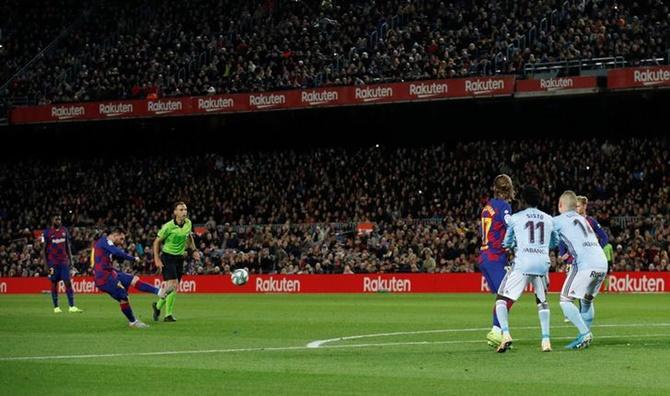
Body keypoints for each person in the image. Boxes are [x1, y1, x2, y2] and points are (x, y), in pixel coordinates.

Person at [494, 186, 558, 353]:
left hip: (523, 263)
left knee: (501, 299)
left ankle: (506, 334)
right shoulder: (549, 219)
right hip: (542, 264)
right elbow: (555, 242)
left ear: (523, 201)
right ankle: (546, 340)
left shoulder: (516, 218)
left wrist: (514, 244)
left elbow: (507, 242)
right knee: (542, 301)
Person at [553, 191, 608, 349]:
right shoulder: (584, 220)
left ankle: (584, 333)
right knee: (586, 301)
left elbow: (544, 233)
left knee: (565, 300)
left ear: (561, 205)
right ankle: (584, 334)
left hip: (585, 265)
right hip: (601, 263)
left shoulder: (558, 220)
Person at [91, 227, 164, 328]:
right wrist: (132, 258)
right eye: (121, 239)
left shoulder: (105, 243)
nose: (122, 242)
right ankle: (133, 321)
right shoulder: (105, 241)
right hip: (103, 278)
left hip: (111, 272)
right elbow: (116, 252)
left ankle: (159, 292)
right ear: (116, 235)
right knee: (123, 297)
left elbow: (113, 255)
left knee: (133, 280)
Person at [478, 174, 515, 348]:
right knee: (506, 296)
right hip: (495, 257)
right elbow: (511, 226)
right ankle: (496, 331)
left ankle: (501, 332)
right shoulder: (504, 206)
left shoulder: (487, 207)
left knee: (503, 296)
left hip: (485, 256)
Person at [152, 202, 200, 322]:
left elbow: (189, 237)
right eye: (181, 209)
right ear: (175, 212)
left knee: (173, 286)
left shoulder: (188, 223)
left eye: (185, 209)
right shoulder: (168, 227)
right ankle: (167, 313)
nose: (184, 212)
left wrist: (194, 250)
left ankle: (158, 307)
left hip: (179, 258)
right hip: (168, 257)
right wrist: (157, 259)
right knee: (173, 284)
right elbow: (156, 242)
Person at [43, 214, 83, 313]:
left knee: (68, 282)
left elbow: (67, 247)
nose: (58, 221)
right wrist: (46, 265)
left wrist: (71, 262)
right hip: (53, 263)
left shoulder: (64, 230)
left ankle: (72, 306)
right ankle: (56, 307)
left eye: (60, 219)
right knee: (54, 283)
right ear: (52, 220)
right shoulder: (47, 233)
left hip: (63, 262)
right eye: (56, 219)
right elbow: (44, 250)